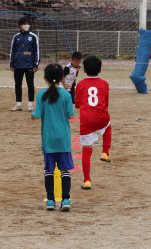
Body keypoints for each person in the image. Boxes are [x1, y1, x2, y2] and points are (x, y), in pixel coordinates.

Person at [31, 63, 75, 211]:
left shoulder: (41, 95)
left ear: (45, 78)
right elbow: (71, 114)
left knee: (49, 170)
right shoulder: (66, 95)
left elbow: (36, 115)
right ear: (62, 77)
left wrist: (33, 115)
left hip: (48, 139)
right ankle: (66, 199)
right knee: (65, 170)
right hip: (63, 139)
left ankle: (50, 200)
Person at [75, 55, 112, 190]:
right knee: (108, 126)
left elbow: (77, 104)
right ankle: (105, 152)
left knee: (86, 150)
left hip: (86, 120)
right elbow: (106, 103)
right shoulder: (104, 84)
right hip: (101, 117)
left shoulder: (80, 84)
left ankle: (87, 180)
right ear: (100, 70)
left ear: (84, 70)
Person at [10, 17, 40, 111]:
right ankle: (18, 105)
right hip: (18, 65)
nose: (27, 25)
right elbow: (12, 51)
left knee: (30, 85)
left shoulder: (33, 36)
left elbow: (37, 51)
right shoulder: (16, 37)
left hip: (29, 65)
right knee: (17, 85)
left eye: (28, 23)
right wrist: (11, 64)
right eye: (25, 23)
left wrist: (36, 65)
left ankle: (30, 105)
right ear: (20, 25)